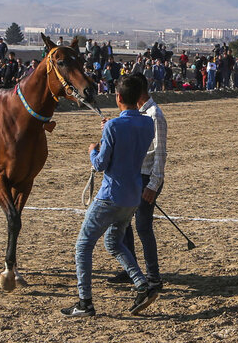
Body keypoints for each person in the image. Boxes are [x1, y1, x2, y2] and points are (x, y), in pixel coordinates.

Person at [63, 74, 158, 318]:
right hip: (132, 196)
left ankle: (85, 302)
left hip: (111, 194)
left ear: (118, 97)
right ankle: (141, 284)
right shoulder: (148, 123)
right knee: (113, 243)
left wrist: (92, 151)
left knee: (83, 245)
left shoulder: (114, 126)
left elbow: (101, 164)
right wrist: (110, 130)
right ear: (138, 98)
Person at [116, 75, 168, 290]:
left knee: (143, 227)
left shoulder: (155, 115)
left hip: (147, 177)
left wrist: (153, 184)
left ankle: (153, 276)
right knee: (125, 224)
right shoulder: (138, 114)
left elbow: (160, 152)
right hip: (134, 176)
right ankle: (131, 270)